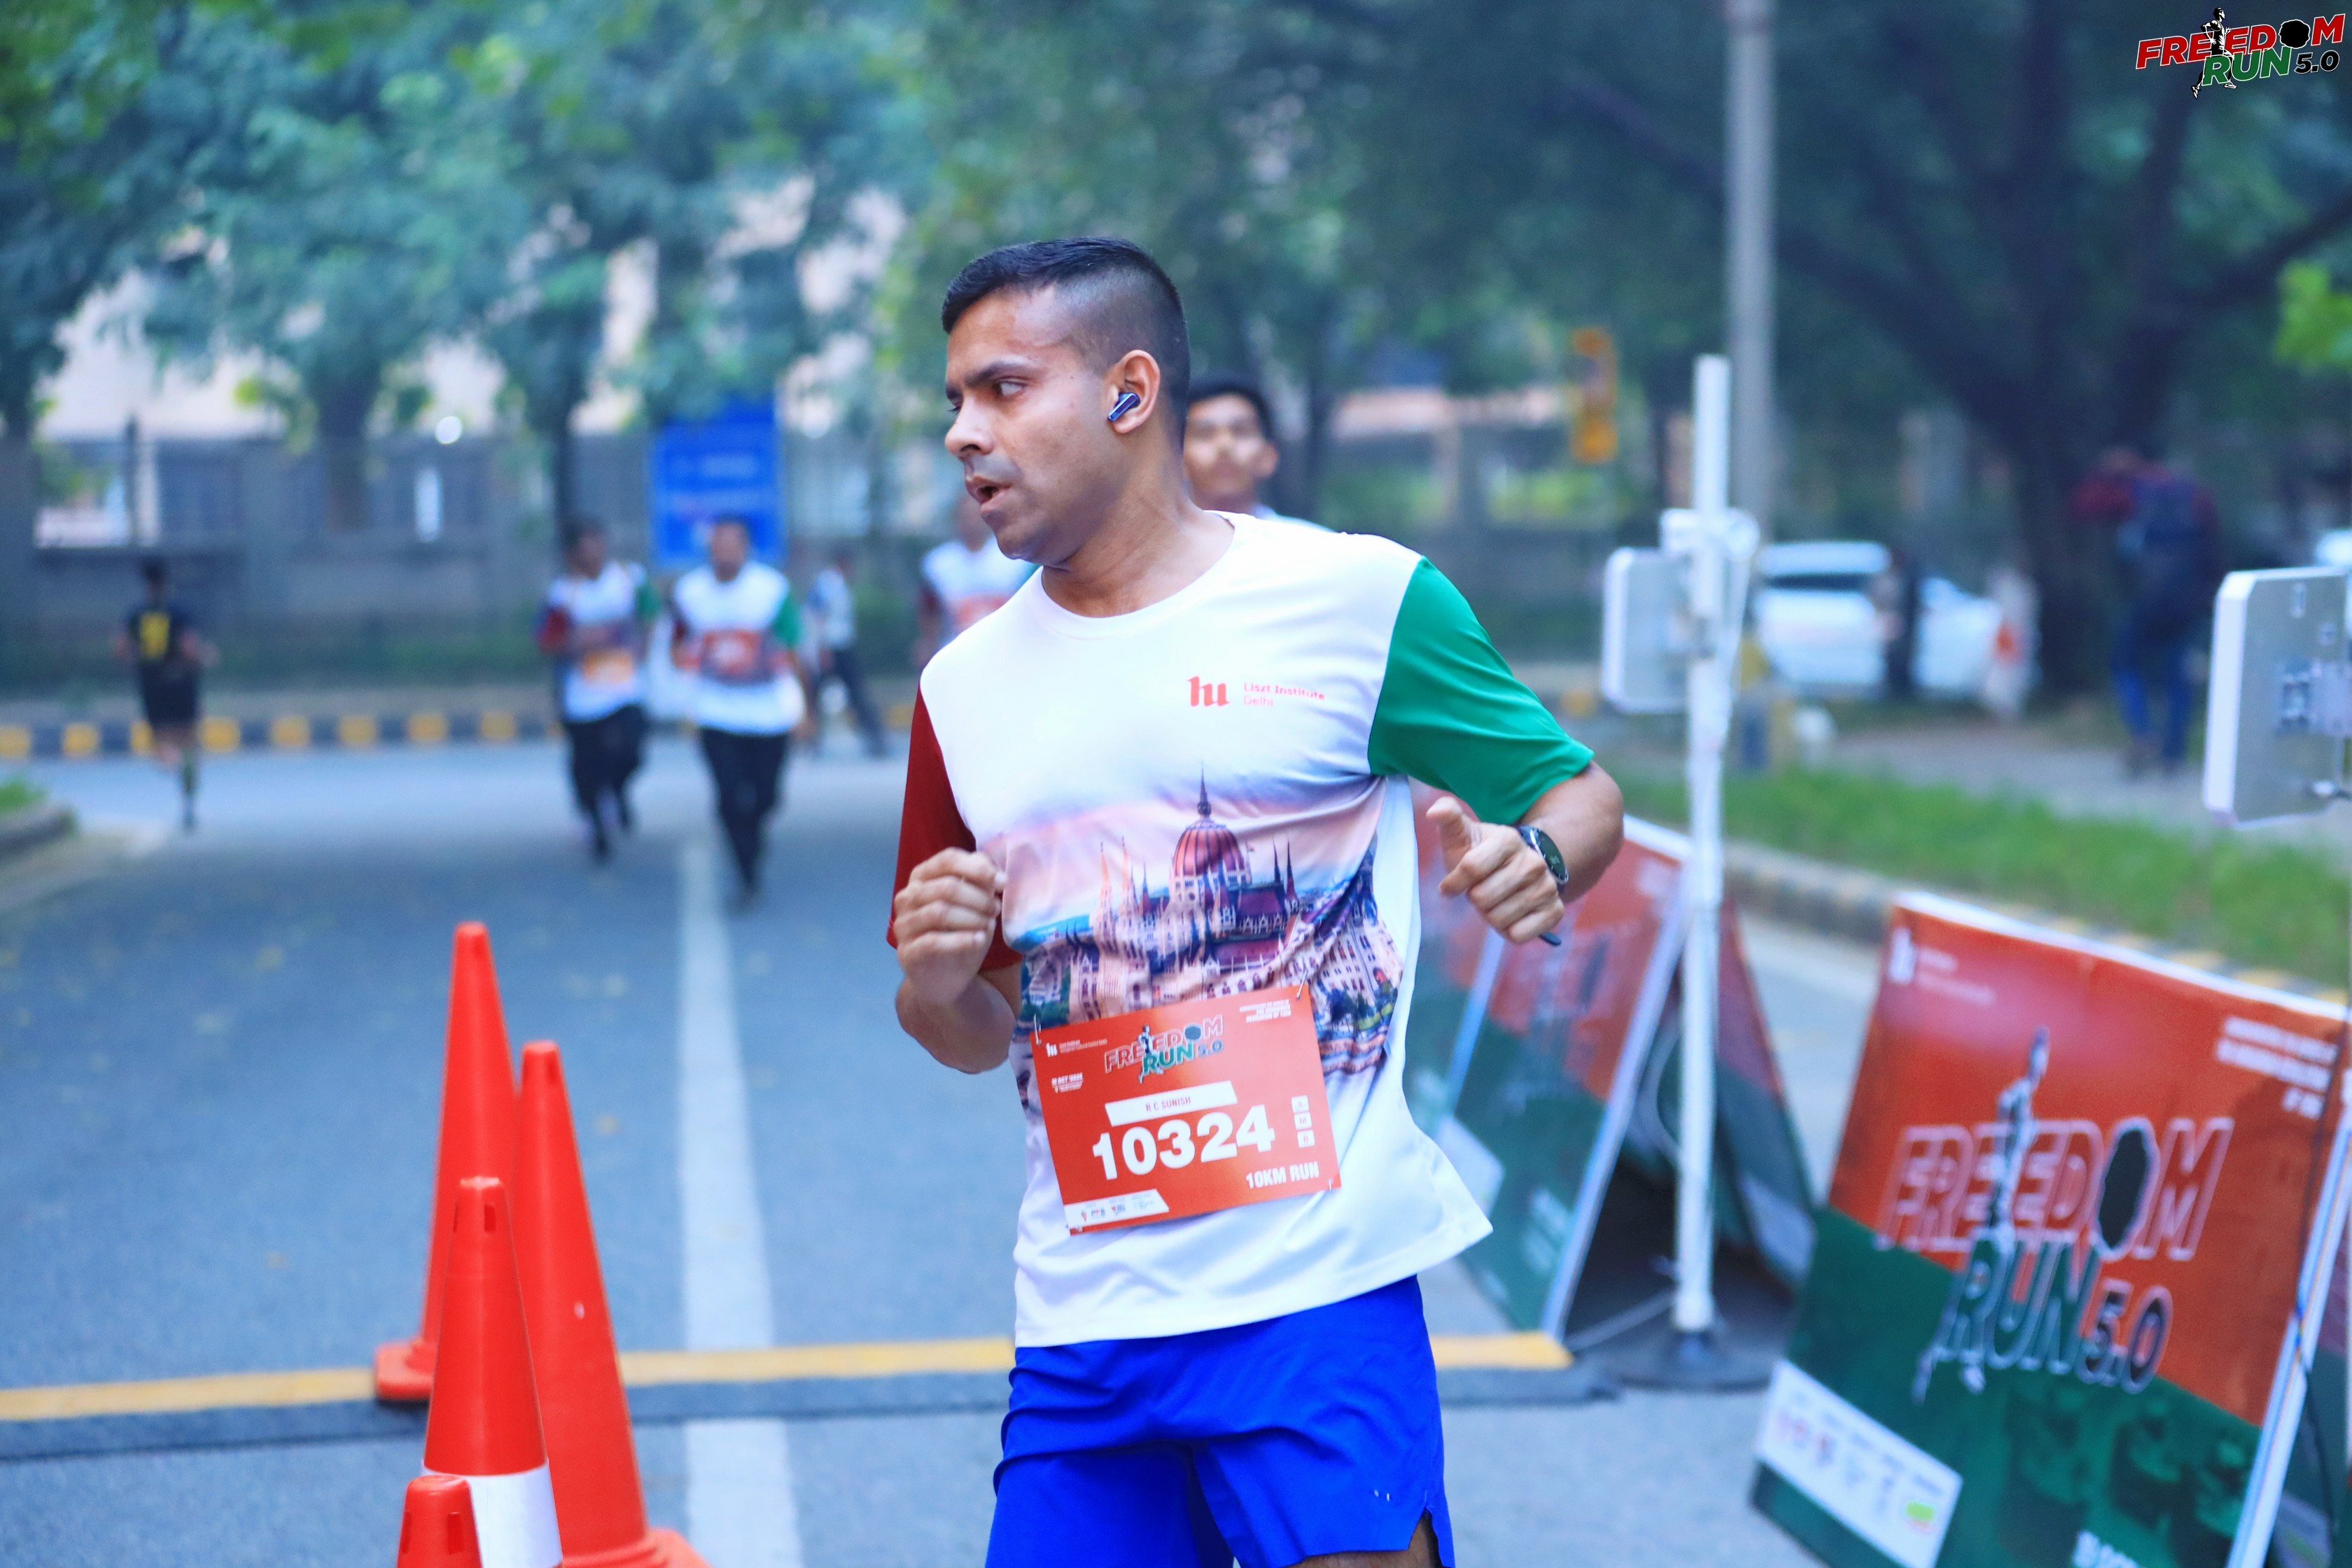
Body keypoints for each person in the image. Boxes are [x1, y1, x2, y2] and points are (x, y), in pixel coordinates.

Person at [888, 237, 1623, 1568]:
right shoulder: (963, 690)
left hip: (1317, 1300)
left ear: (1128, 391)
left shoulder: (1358, 600)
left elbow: (1579, 794)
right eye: (954, 401)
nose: (963, 433)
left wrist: (1543, 858)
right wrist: (935, 985)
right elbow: (974, 1029)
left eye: (1003, 389)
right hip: (1087, 1322)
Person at [671, 516, 806, 907]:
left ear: (747, 549)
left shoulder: (771, 590)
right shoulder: (690, 593)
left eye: (734, 544)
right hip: (716, 712)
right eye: (719, 545)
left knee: (766, 796)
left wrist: (805, 707)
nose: (726, 553)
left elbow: (793, 646)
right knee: (729, 796)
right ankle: (746, 870)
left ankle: (754, 836)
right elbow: (677, 641)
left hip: (768, 713)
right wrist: (683, 682)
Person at [2071, 446, 2223, 776]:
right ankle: (2173, 753)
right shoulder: (2193, 495)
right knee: (2178, 676)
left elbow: (2083, 506)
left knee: (2125, 665)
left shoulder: (2130, 493)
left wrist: (2108, 473)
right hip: (2186, 601)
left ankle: (2143, 733)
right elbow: (2213, 547)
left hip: (2144, 599)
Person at [537, 520, 655, 862]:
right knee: (587, 762)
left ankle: (618, 790)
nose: (593, 556)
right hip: (583, 694)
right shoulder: (563, 595)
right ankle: (596, 824)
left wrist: (642, 646)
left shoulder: (628, 580)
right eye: (584, 550)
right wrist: (578, 642)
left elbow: (651, 614)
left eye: (597, 546)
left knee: (631, 751)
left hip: (625, 687)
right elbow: (547, 640)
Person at [115, 557, 213, 831]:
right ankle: (189, 801)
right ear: (167, 583)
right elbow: (189, 648)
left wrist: (140, 662)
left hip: (152, 686)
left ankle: (172, 759)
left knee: (160, 741)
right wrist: (205, 658)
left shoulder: (136, 615)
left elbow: (121, 650)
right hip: (181, 684)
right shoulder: (179, 613)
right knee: (191, 742)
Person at [1182, 374, 1322, 529]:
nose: (1224, 446)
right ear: (1177, 459)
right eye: (1204, 434)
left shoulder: (1311, 542)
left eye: (1241, 431)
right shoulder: (1162, 545)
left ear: (1269, 456)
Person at [918, 493, 1034, 662]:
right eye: (965, 515)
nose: (971, 521)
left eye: (975, 515)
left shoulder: (1016, 559)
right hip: (958, 654)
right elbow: (929, 608)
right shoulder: (939, 563)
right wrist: (929, 643)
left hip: (1007, 652)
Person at [803, 545, 887, 757]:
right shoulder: (828, 583)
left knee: (855, 692)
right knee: (821, 694)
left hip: (843, 645)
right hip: (832, 648)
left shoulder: (839, 584)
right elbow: (817, 617)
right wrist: (822, 649)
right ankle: (813, 739)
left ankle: (874, 739)